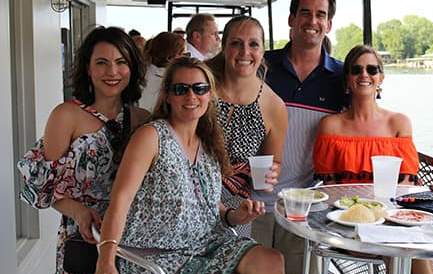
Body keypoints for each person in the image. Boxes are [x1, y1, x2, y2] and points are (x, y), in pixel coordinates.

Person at [95, 57, 285, 274]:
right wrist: (106, 261)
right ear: (167, 95)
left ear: (210, 94)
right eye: (180, 89)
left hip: (207, 245)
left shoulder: (209, 141)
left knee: (271, 260)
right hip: (157, 254)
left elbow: (205, 203)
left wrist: (234, 215)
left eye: (200, 88)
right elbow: (121, 199)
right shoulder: (151, 136)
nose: (191, 96)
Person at [17, 26, 149, 273]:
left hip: (134, 240)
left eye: (121, 62)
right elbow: (45, 186)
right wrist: (78, 211)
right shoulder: (66, 116)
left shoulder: (143, 119)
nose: (112, 71)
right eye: (101, 62)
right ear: (88, 68)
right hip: (85, 238)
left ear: (132, 68)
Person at [313, 44, 433, 274]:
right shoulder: (331, 126)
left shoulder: (399, 123)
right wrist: (362, 211)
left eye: (372, 69)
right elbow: (328, 186)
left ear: (381, 78)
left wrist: (386, 214)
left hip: (392, 218)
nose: (364, 75)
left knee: (415, 250)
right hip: (348, 221)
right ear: (347, 79)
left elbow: (406, 184)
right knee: (406, 251)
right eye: (356, 70)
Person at [251, 0, 344, 273]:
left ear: (328, 24)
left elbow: (363, 123)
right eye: (305, 12)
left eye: (320, 15)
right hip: (249, 201)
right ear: (291, 19)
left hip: (303, 204)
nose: (312, 21)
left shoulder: (341, 78)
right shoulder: (259, 65)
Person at [206, 15, 288, 237]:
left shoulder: (274, 105)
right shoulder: (202, 87)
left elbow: (275, 160)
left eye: (253, 44)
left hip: (237, 208)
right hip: (190, 194)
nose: (245, 52)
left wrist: (271, 174)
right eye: (236, 43)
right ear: (224, 48)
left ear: (262, 52)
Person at [139, 32, 186, 112]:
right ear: (170, 58)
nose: (185, 58)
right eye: (183, 54)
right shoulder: (167, 81)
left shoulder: (143, 73)